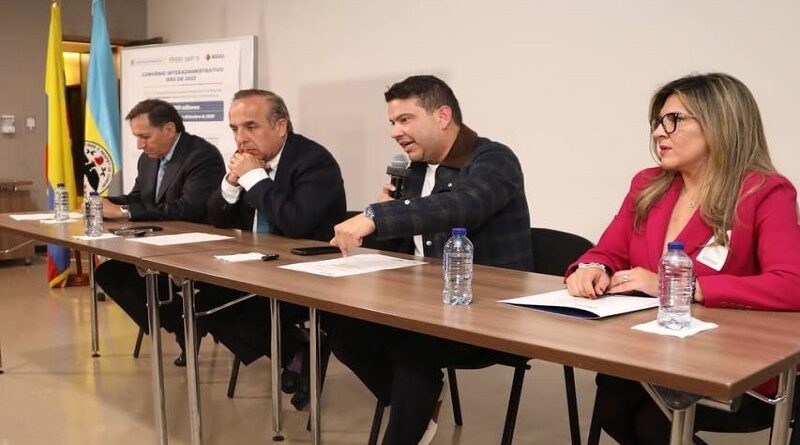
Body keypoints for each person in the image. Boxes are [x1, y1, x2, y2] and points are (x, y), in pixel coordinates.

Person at [565, 73, 800, 445]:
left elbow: (792, 283)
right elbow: (607, 251)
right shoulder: (648, 185)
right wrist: (591, 268)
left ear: (720, 123)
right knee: (614, 405)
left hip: (735, 362)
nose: (660, 132)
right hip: (651, 349)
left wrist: (686, 287)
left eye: (674, 120)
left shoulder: (764, 192)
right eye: (658, 122)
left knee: (654, 424)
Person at [327, 75, 532, 444]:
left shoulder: (494, 159)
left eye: (405, 119)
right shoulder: (413, 170)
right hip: (422, 304)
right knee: (344, 331)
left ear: (442, 116)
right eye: (392, 122)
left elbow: (463, 206)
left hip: (486, 309)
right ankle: (418, 407)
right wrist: (387, 216)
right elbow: (410, 245)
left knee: (413, 351)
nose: (395, 132)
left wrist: (376, 216)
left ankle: (410, 421)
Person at [192, 89, 346, 410]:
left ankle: (298, 355)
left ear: (280, 126)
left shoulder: (315, 162)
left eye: (251, 126)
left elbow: (296, 223)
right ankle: (298, 354)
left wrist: (255, 178)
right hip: (257, 268)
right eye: (235, 129)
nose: (241, 138)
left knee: (250, 319)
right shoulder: (249, 163)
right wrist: (232, 182)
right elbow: (216, 219)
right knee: (203, 304)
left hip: (307, 274)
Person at [95, 99, 225, 366]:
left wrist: (123, 212)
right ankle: (182, 326)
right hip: (158, 246)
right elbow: (138, 198)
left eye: (145, 136)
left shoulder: (202, 156)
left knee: (137, 278)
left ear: (169, 129)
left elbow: (188, 209)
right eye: (137, 137)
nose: (139, 145)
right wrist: (103, 202)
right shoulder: (148, 159)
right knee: (110, 273)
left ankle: (187, 324)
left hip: (197, 251)